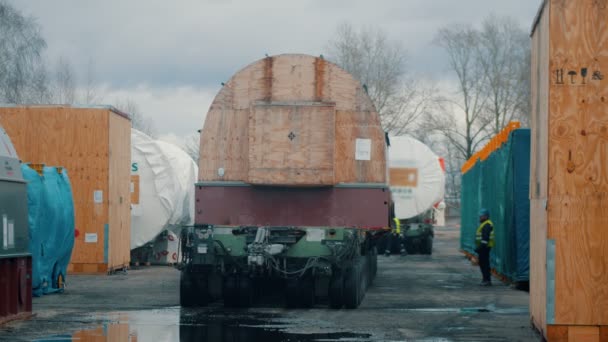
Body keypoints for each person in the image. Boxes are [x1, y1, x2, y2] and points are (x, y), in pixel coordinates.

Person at [475, 208, 495, 286]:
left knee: (484, 264)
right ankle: (485, 279)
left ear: (486, 216)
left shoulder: (487, 225)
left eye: (481, 216)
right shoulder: (485, 224)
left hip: (485, 247)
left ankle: (487, 280)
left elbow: (485, 238)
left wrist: (480, 248)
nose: (480, 218)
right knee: (483, 263)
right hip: (484, 247)